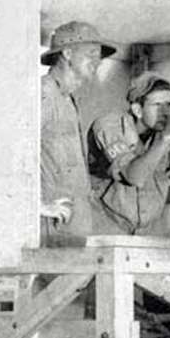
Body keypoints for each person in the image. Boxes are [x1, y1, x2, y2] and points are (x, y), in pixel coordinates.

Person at [88, 71, 170, 235]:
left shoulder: (168, 131)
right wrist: (167, 137)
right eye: (157, 105)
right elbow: (133, 177)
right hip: (105, 225)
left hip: (146, 230)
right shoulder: (110, 125)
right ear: (137, 109)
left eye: (169, 104)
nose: (166, 112)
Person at [39, 20, 116, 246]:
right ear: (68, 53)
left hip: (73, 224)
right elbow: (7, 154)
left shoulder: (68, 100)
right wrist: (36, 205)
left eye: (99, 56)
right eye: (91, 53)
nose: (97, 61)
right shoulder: (42, 94)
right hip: (51, 226)